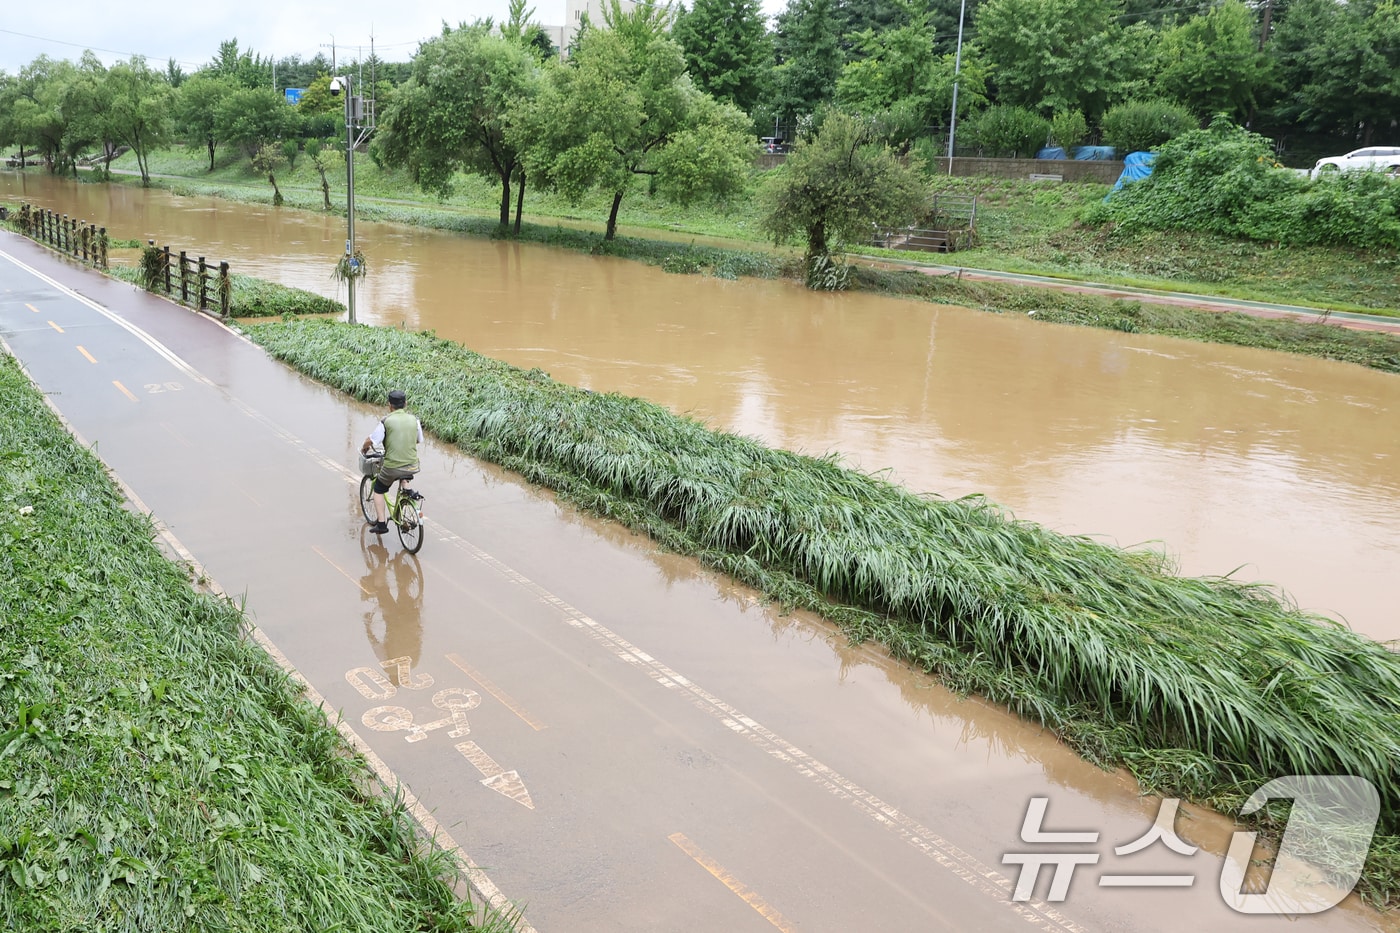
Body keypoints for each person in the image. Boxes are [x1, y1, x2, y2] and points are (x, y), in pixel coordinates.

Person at [360, 389, 423, 534]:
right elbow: (418, 440)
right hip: (413, 465)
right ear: (405, 403)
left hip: (392, 467)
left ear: (389, 405)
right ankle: (406, 489)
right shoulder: (415, 420)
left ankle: (381, 524)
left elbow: (372, 440)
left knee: (379, 489)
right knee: (404, 472)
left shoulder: (386, 421)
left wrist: (365, 448)